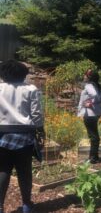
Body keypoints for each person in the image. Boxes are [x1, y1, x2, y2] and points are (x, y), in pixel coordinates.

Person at [0, 60, 44, 213]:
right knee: (24, 171)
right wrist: (41, 130)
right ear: (23, 74)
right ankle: (26, 204)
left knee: (3, 170)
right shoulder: (30, 89)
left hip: (2, 135)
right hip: (24, 135)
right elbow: (36, 114)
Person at [77, 69, 101, 164]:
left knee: (93, 136)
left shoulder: (89, 86)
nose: (84, 77)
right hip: (94, 113)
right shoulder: (97, 86)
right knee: (94, 135)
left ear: (89, 77)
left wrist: (90, 102)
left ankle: (93, 158)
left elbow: (94, 94)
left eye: (85, 75)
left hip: (89, 113)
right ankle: (94, 156)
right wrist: (94, 102)